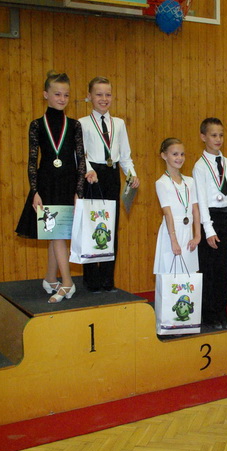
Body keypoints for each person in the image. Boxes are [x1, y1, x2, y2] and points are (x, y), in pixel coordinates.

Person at [15, 71, 89, 303]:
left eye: (66, 95)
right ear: (45, 94)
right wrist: (34, 191)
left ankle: (50, 278)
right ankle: (67, 282)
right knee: (55, 233)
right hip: (46, 184)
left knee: (57, 233)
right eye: (57, 94)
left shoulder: (74, 125)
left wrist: (79, 192)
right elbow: (32, 160)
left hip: (68, 184)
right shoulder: (37, 125)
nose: (62, 98)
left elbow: (81, 160)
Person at [78, 76, 139, 292]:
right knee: (92, 226)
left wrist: (132, 175)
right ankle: (91, 278)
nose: (104, 99)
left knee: (110, 226)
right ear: (89, 96)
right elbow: (79, 153)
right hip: (92, 176)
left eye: (108, 94)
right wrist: (88, 169)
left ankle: (107, 279)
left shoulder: (119, 124)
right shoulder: (82, 123)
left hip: (112, 175)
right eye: (99, 94)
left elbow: (125, 156)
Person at [193, 118, 227, 330]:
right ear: (203, 137)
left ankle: (222, 312)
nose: (218, 139)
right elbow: (201, 201)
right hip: (210, 220)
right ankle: (209, 314)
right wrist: (208, 230)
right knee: (209, 270)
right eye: (213, 135)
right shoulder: (199, 167)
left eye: (221, 135)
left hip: (225, 217)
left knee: (224, 270)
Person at [153, 138, 201, 274]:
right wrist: (173, 241)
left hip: (188, 233)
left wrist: (197, 236)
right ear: (164, 156)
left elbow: (195, 209)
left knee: (188, 275)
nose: (179, 158)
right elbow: (167, 213)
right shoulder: (162, 183)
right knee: (171, 274)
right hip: (172, 232)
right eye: (175, 154)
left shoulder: (190, 182)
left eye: (182, 154)